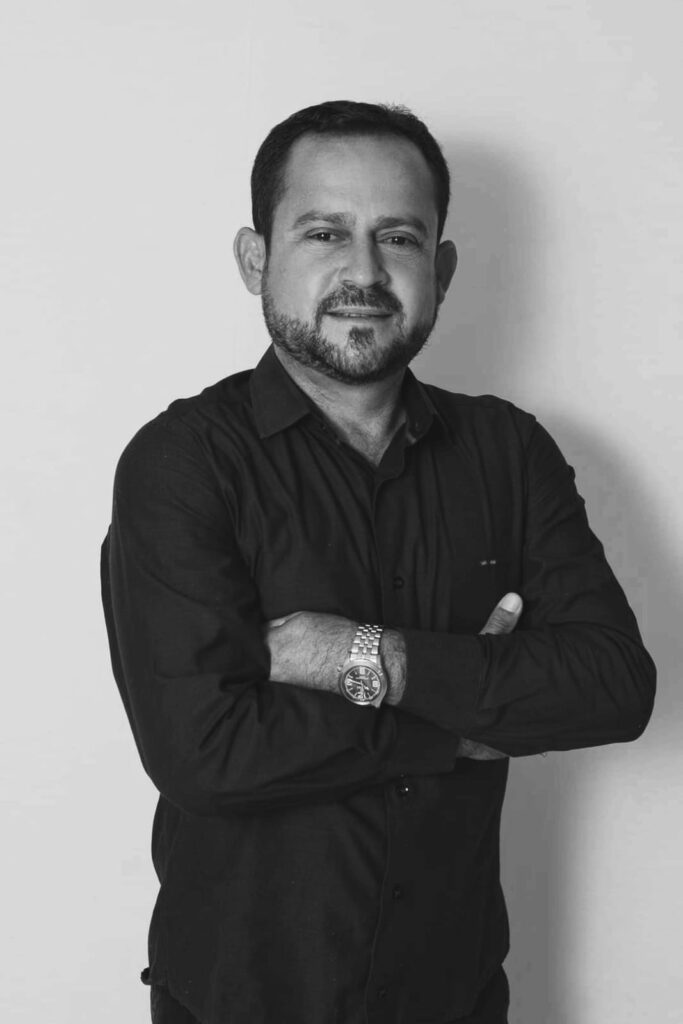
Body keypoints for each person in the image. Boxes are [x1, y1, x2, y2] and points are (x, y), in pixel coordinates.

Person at [100, 100, 656, 1024]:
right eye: (324, 233)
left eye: (397, 237)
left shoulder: (508, 453)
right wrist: (460, 716)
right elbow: (204, 754)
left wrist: (358, 656)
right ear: (255, 259)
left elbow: (611, 686)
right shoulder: (183, 463)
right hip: (240, 1000)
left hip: (455, 995)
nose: (363, 272)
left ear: (440, 267)